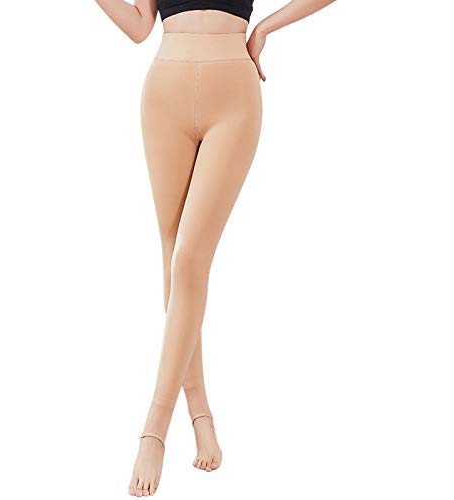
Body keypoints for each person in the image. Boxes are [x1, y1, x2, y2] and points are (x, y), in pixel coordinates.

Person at [95, 0, 336, 495]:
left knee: (190, 257)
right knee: (174, 256)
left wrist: (266, 27)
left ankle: (155, 428)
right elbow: (139, 26)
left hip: (233, 94)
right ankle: (200, 412)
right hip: (165, 91)